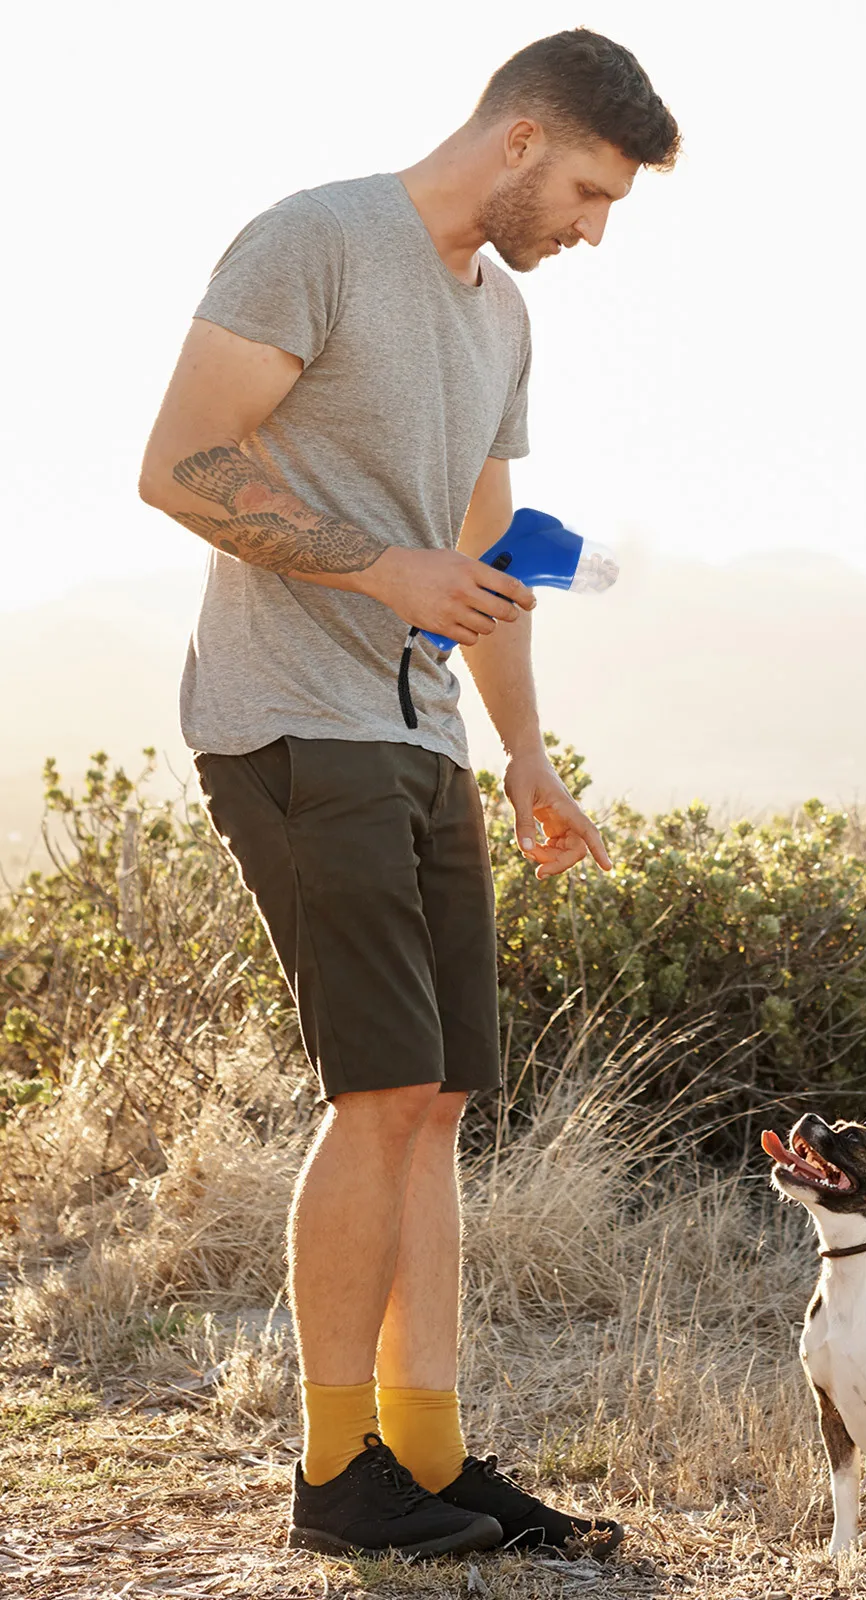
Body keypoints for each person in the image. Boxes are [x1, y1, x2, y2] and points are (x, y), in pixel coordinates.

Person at [138, 28, 679, 1562]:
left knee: (438, 1105)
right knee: (376, 1091)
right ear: (519, 139)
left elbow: (489, 555)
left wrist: (523, 749)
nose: (591, 227)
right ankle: (335, 1475)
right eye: (585, 189)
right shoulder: (317, 238)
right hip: (291, 717)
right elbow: (179, 464)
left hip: (427, 735)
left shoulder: (501, 314)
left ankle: (429, 1458)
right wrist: (382, 567)